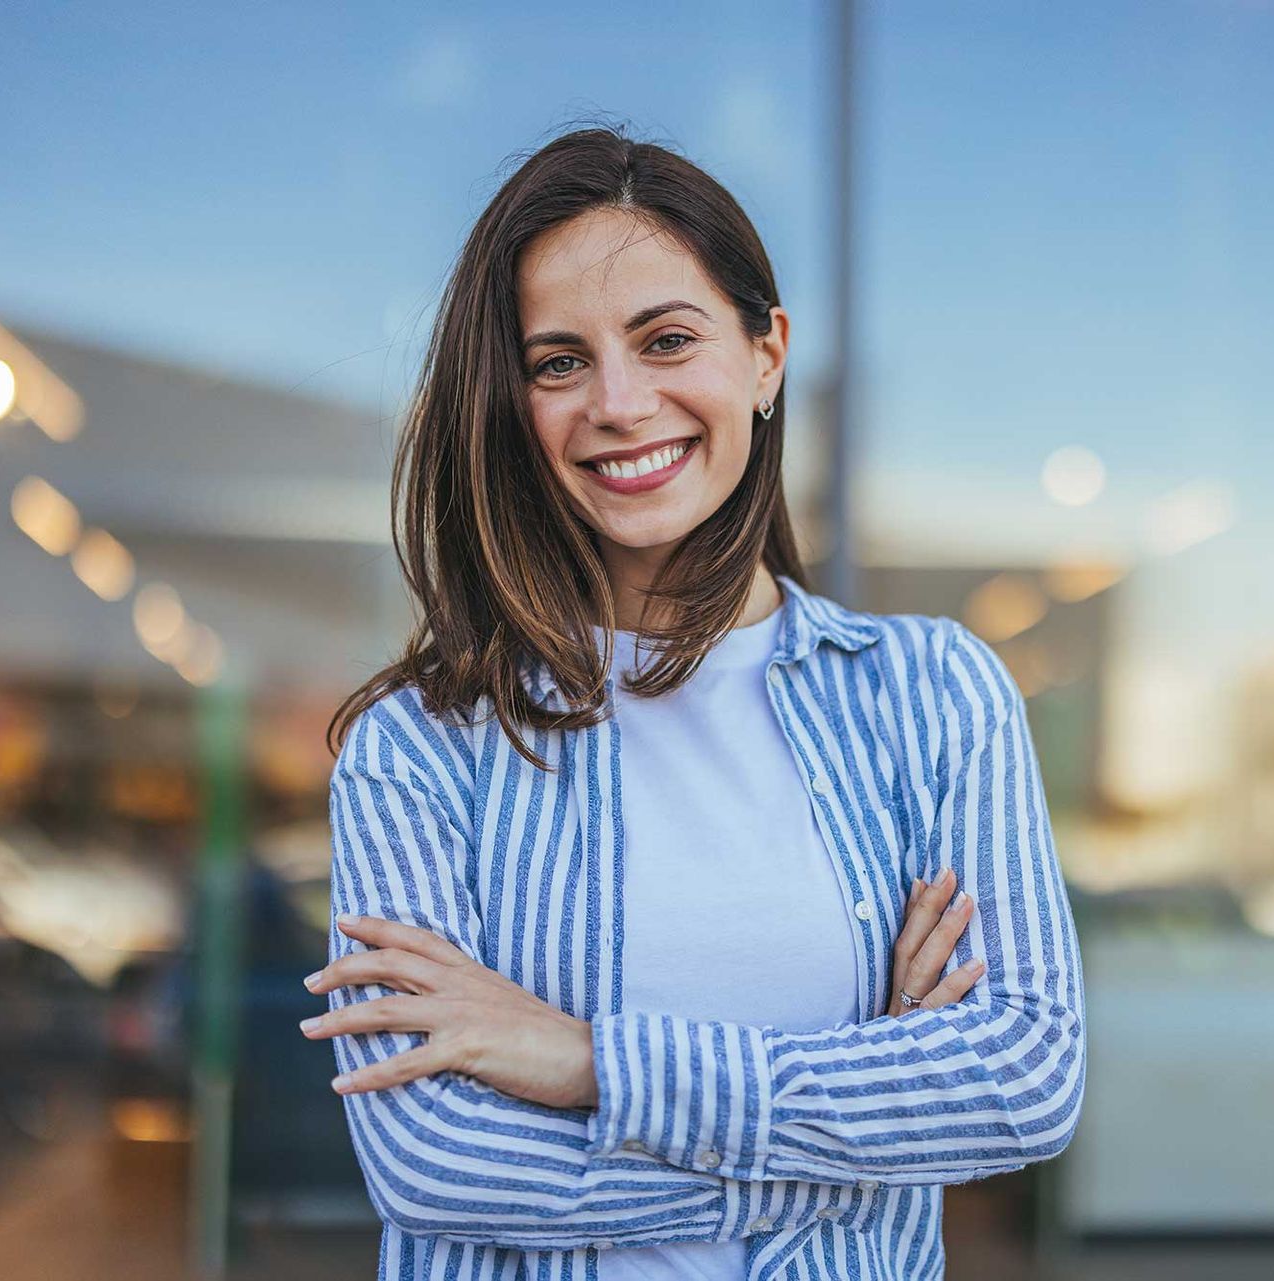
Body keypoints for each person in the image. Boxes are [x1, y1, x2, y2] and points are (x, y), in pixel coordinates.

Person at [298, 121, 1086, 1281]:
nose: (619, 402)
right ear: (511, 403)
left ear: (767, 354)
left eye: (667, 339)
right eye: (558, 360)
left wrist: (584, 1063)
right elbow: (436, 1164)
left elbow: (1020, 1081)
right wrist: (875, 1123)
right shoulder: (421, 746)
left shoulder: (931, 695)